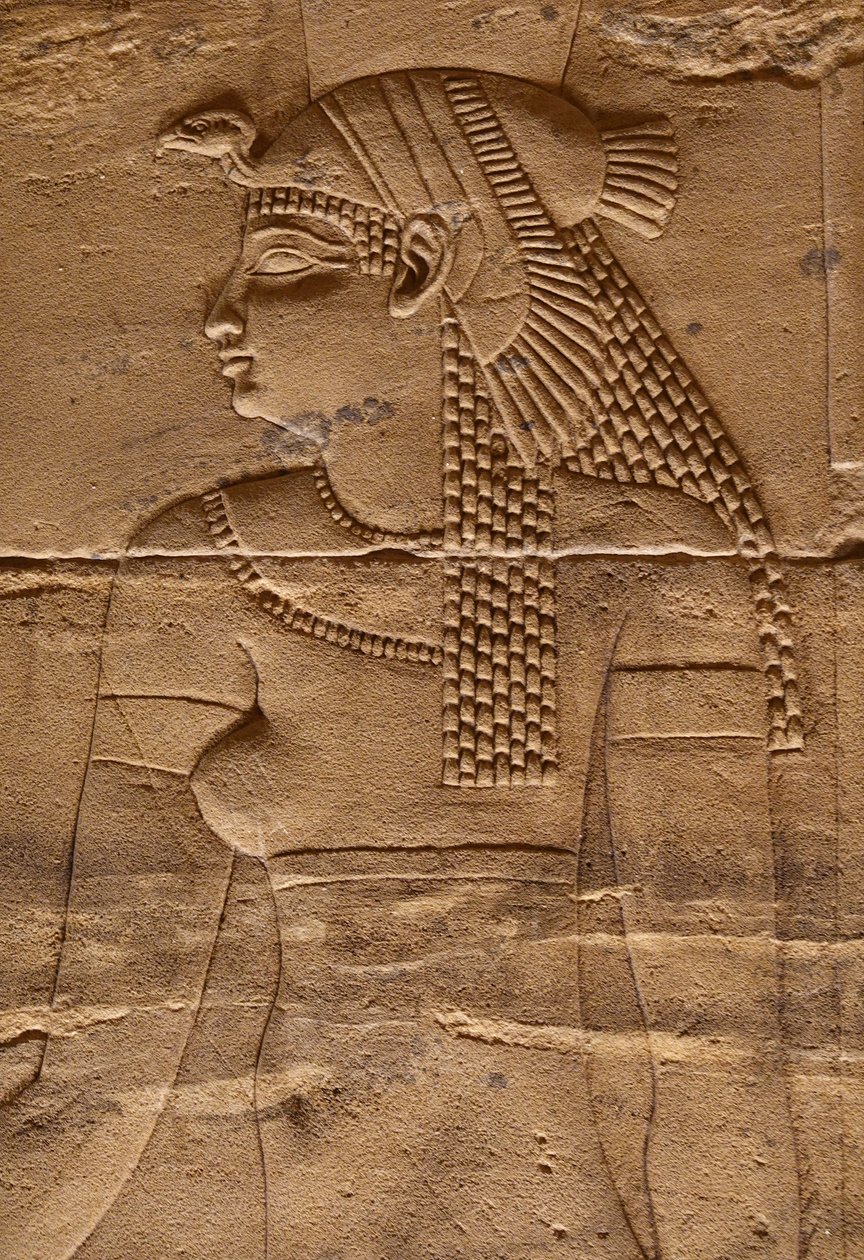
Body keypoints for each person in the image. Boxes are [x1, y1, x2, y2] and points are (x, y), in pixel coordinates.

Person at [2, 70, 803, 1259]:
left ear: (423, 267)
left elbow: (714, 1046)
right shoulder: (199, 560)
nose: (220, 313)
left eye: (281, 267)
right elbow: (109, 1057)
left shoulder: (648, 568)